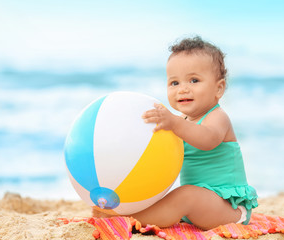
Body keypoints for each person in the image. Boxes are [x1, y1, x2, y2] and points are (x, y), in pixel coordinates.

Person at [95, 36, 258, 230]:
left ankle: (130, 218)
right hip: (201, 205)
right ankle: (127, 211)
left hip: (229, 208)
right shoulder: (180, 123)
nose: (183, 89)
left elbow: (208, 140)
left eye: (194, 80)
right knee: (172, 194)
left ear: (219, 88)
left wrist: (173, 123)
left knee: (185, 194)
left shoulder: (217, 117)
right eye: (174, 83)